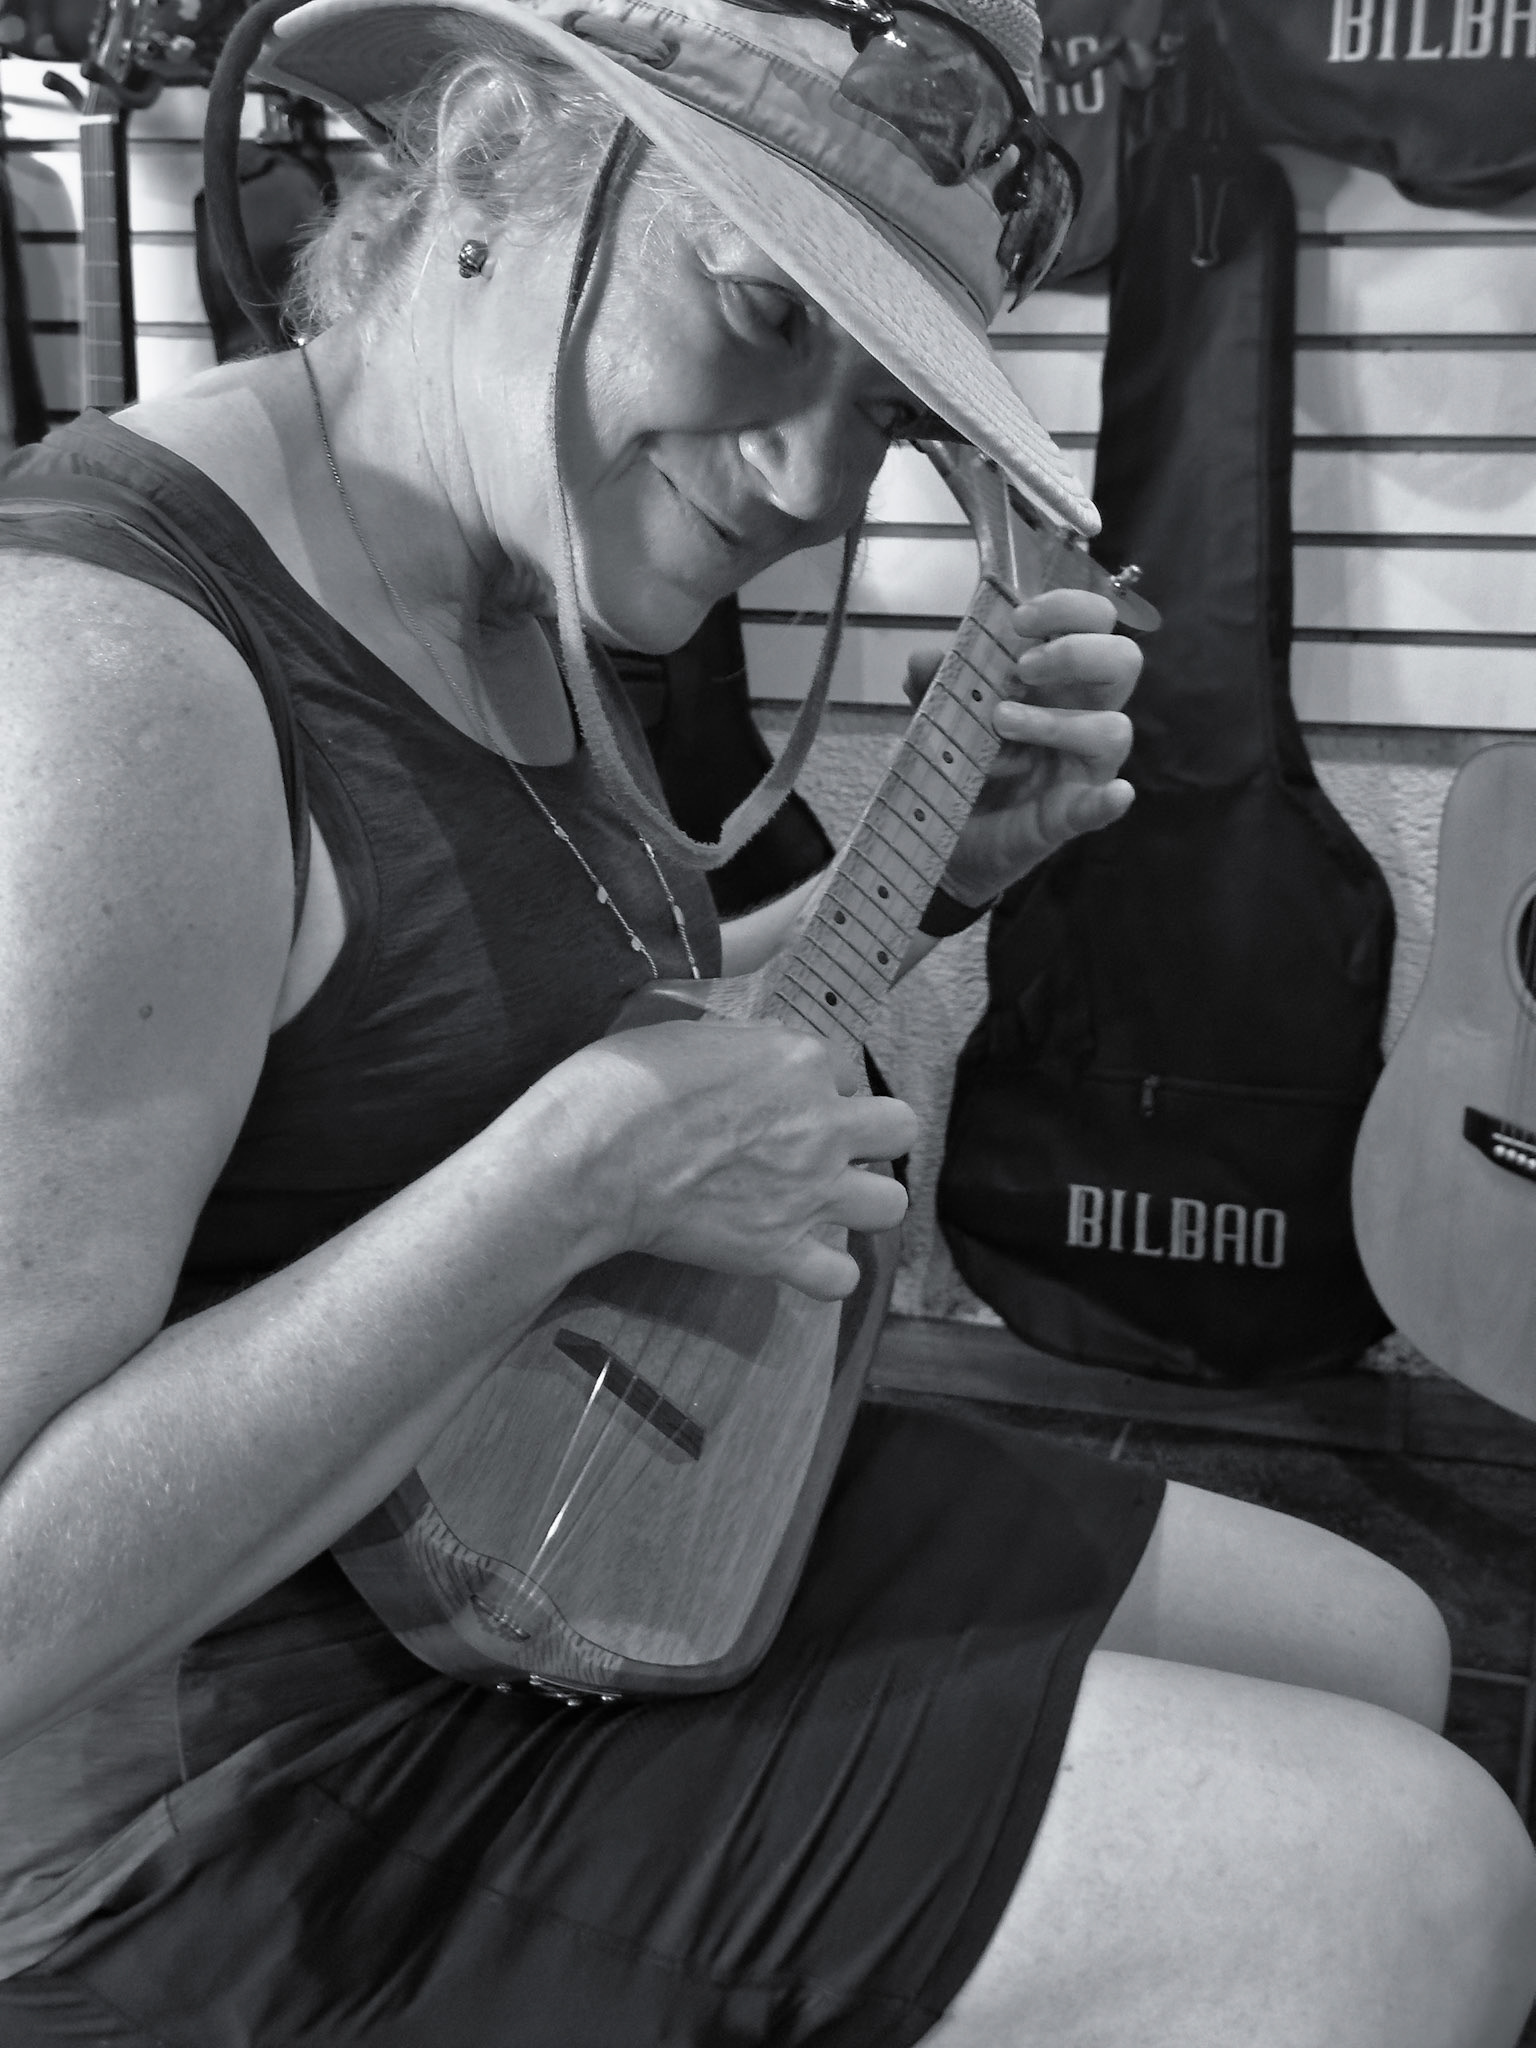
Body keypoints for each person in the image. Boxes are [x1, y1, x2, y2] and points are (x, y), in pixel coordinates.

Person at [0, 0, 1531, 2039]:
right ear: (481, 173)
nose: (817, 477)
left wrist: (901, 894)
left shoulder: (495, 557)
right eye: (761, 310)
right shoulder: (114, 685)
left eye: (888, 400)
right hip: (215, 1797)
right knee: (1409, 1883)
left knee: (1382, 1632)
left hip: (544, 1507)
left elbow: (436, 1055)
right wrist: (572, 1182)